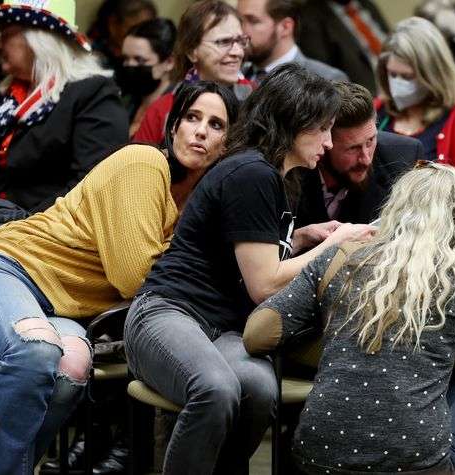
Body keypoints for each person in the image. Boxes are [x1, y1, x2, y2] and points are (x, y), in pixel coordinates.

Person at [124, 64, 375, 474]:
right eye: (324, 129)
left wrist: (302, 238)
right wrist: (334, 244)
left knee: (259, 389)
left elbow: (248, 251)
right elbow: (263, 285)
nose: (329, 143)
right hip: (166, 311)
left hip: (219, 326)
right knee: (216, 388)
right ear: (295, 123)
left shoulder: (273, 175)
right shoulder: (252, 173)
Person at [0, 80, 239, 475]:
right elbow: (136, 277)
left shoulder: (197, 209)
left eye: (216, 125)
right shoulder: (143, 163)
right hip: (9, 267)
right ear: (173, 128)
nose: (201, 131)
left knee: (72, 369)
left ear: (228, 143)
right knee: (36, 350)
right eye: (192, 117)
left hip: (63, 307)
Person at [245, 161, 455, 474]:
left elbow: (257, 334)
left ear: (395, 207)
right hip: (415, 464)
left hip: (317, 458)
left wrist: (340, 334)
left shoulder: (341, 257)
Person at [0, 0, 128, 218]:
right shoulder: (4, 93)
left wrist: (17, 224)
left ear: (38, 40)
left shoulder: (93, 94)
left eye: (6, 34)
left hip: (45, 233)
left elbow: (89, 186)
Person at [376, 17, 455, 196]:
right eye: (393, 74)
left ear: (433, 75)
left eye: (407, 77)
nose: (398, 84)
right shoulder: (377, 109)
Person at [295, 81, 424, 231]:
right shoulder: (292, 168)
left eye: (370, 141)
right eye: (353, 148)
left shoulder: (403, 158)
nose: (366, 159)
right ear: (325, 142)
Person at [132, 0, 251, 144]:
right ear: (191, 51)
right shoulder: (163, 109)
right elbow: (138, 163)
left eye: (240, 41)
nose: (238, 52)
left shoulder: (258, 98)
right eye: (223, 42)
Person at [237, 0, 348, 83]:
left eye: (253, 21)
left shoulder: (326, 80)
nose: (241, 31)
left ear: (285, 27)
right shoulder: (233, 73)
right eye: (239, 20)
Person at [297, 0, 389, 94]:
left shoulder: (366, 4)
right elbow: (324, 78)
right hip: (370, 95)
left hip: (395, 75)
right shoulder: (310, 19)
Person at [119, 18, 176, 137]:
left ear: (169, 62)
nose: (130, 65)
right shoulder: (125, 102)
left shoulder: (174, 112)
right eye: (126, 58)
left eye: (140, 60)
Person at [87, 0, 157, 68]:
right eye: (133, 30)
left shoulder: (151, 60)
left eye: (148, 30)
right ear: (113, 24)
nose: (143, 37)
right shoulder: (92, 56)